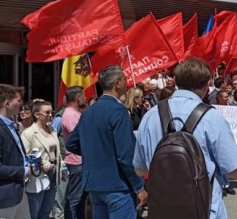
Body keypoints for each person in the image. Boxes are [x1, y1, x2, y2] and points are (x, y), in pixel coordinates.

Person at [133, 59, 237, 218]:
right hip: (204, 211)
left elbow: (140, 169)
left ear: (176, 82)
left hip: (163, 211)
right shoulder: (212, 117)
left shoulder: (151, 116)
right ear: (207, 85)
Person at [66, 66, 146, 219]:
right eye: (124, 80)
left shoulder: (88, 111)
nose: (127, 83)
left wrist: (97, 152)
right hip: (118, 186)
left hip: (96, 185)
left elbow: (72, 143)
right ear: (117, 84)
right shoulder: (118, 111)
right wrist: (139, 187)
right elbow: (126, 154)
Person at [0, 84, 32, 219]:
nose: (22, 105)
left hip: (18, 193)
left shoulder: (9, 125)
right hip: (2, 197)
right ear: (7, 103)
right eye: (19, 101)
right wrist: (24, 171)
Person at [21, 100, 61, 219]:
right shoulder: (28, 133)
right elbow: (26, 156)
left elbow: (56, 151)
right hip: (37, 176)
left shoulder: (52, 129)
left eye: (51, 112)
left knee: (45, 212)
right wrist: (44, 164)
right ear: (37, 115)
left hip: (53, 174)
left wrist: (61, 166)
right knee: (34, 213)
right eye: (47, 112)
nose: (50, 115)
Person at [61, 86, 88, 219]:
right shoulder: (71, 115)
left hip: (81, 161)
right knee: (75, 198)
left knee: (81, 198)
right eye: (83, 95)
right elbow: (77, 138)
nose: (85, 98)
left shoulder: (76, 113)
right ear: (78, 98)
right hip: (77, 161)